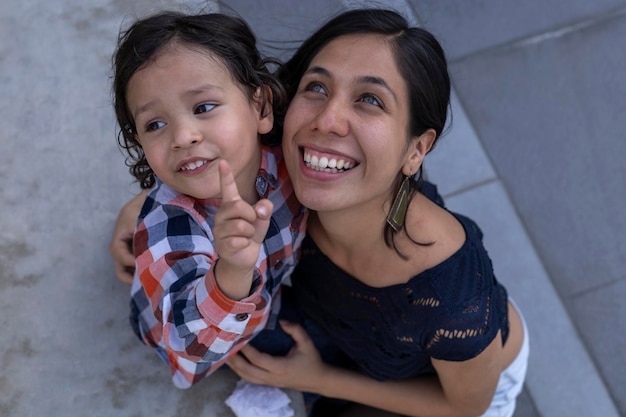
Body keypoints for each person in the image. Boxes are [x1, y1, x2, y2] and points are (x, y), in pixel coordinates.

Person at [111, 8, 529, 417]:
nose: (328, 121)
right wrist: (145, 209)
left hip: (450, 391)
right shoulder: (292, 158)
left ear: (416, 149)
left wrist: (316, 378)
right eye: (316, 88)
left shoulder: (449, 297)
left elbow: (464, 406)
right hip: (330, 336)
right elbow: (216, 144)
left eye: (370, 100)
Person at [110, 11, 306, 389]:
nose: (183, 136)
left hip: (271, 289)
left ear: (261, 107)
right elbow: (190, 344)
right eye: (155, 124)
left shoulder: (285, 161)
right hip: (188, 333)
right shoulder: (166, 228)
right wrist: (232, 269)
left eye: (203, 107)